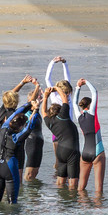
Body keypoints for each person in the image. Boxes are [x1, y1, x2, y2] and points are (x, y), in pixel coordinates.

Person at [0, 91, 40, 205]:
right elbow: (29, 127)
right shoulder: (17, 137)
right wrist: (36, 110)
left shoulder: (4, 128)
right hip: (10, 166)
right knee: (12, 202)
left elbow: (16, 113)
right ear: (20, 126)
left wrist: (29, 104)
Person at [42, 60, 80, 189]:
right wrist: (52, 62)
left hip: (61, 134)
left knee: (62, 167)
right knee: (63, 167)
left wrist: (65, 63)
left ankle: (58, 186)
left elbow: (43, 111)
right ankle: (68, 190)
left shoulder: (48, 120)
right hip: (64, 137)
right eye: (66, 92)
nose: (67, 95)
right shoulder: (58, 102)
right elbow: (47, 79)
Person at [74, 77, 106, 196]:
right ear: (90, 104)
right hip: (97, 152)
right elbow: (95, 92)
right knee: (98, 189)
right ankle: (97, 206)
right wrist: (86, 82)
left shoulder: (79, 116)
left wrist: (78, 87)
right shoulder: (93, 113)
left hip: (85, 153)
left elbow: (74, 103)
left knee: (81, 187)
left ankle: (82, 205)